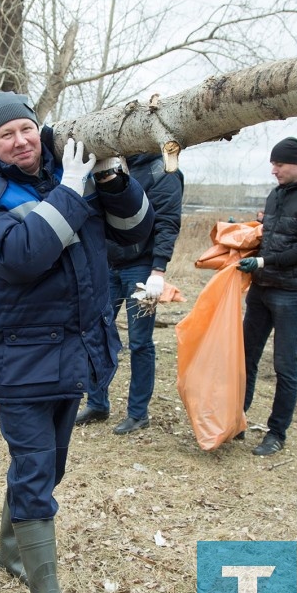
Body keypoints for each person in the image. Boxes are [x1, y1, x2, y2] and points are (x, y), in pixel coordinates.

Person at [0, 91, 154, 593]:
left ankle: (8, 551)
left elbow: (135, 233)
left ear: (37, 127)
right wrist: (70, 192)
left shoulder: (72, 170)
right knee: (37, 469)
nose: (20, 141)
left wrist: (113, 179)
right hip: (18, 357)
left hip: (74, 351)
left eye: (25, 128)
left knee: (46, 466)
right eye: (5, 135)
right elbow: (21, 258)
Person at [237, 137, 297, 456]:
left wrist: (264, 261)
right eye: (272, 164)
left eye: (279, 164)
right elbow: (273, 236)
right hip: (261, 289)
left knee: (284, 365)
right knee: (245, 357)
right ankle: (236, 420)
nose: (274, 170)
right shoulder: (276, 194)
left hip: (290, 294)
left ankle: (276, 433)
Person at [74, 153, 184, 435]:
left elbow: (167, 222)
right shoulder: (115, 164)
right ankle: (97, 403)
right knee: (96, 332)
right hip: (107, 265)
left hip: (141, 267)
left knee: (140, 342)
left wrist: (158, 270)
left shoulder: (164, 172)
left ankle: (138, 413)